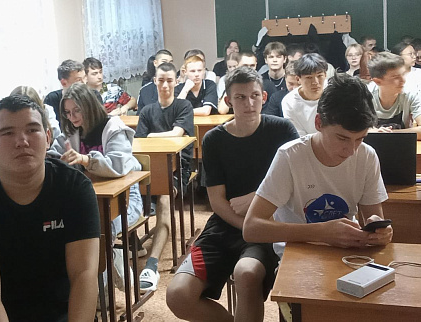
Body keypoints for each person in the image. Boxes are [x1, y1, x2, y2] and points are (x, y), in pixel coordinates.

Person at [0, 95, 100, 322]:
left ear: (48, 138)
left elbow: (84, 276)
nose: (22, 141)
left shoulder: (74, 188)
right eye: (7, 133)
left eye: (32, 130)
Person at [166, 67, 299, 322]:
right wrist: (247, 225)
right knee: (178, 295)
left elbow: (297, 180)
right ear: (228, 100)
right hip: (225, 225)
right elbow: (218, 201)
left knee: (247, 273)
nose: (249, 103)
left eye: (255, 96)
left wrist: (257, 197)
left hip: (268, 225)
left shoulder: (282, 129)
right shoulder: (214, 139)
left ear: (264, 96)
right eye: (240, 97)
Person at [244, 73, 392, 257]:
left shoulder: (367, 155)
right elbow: (251, 228)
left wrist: (379, 232)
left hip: (348, 252)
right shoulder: (290, 156)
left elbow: (373, 218)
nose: (351, 151)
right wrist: (321, 233)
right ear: (318, 122)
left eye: (360, 139)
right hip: (298, 257)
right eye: (342, 138)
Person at [49, 82, 142, 291]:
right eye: (67, 113)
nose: (72, 117)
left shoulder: (113, 127)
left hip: (126, 199)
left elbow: (117, 165)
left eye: (76, 110)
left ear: (89, 106)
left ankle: (101, 287)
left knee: (101, 228)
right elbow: (55, 155)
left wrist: (85, 160)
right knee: (71, 226)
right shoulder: (71, 132)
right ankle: (104, 278)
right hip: (90, 199)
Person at [135, 62, 195, 293]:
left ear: (176, 81)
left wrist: (152, 135)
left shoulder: (183, 106)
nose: (165, 85)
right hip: (150, 168)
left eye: (170, 80)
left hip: (178, 169)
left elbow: (177, 134)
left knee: (164, 199)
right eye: (161, 80)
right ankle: (132, 243)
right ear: (154, 81)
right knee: (125, 196)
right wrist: (155, 137)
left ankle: (151, 265)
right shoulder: (147, 111)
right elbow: (139, 144)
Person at [368, 52, 421, 140]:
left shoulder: (410, 93)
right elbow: (353, 130)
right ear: (378, 81)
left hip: (402, 144)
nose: (403, 80)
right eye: (395, 77)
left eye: (403, 74)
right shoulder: (364, 95)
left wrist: (387, 134)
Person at [282, 54, 328, 136]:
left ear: (325, 75)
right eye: (309, 77)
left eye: (319, 76)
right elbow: (299, 136)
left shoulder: (335, 90)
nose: (315, 82)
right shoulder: (289, 102)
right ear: (298, 79)